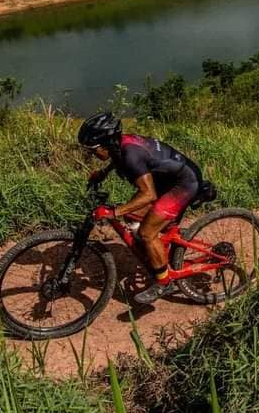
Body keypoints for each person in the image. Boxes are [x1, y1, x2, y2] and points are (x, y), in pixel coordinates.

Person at [77, 111, 202, 305]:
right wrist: (102, 173)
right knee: (133, 217)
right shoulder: (121, 144)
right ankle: (164, 248)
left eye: (94, 149)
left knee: (146, 233)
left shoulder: (131, 155)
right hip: (167, 180)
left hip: (183, 184)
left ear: (107, 144)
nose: (92, 154)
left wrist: (115, 212)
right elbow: (119, 158)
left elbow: (148, 194)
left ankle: (164, 282)